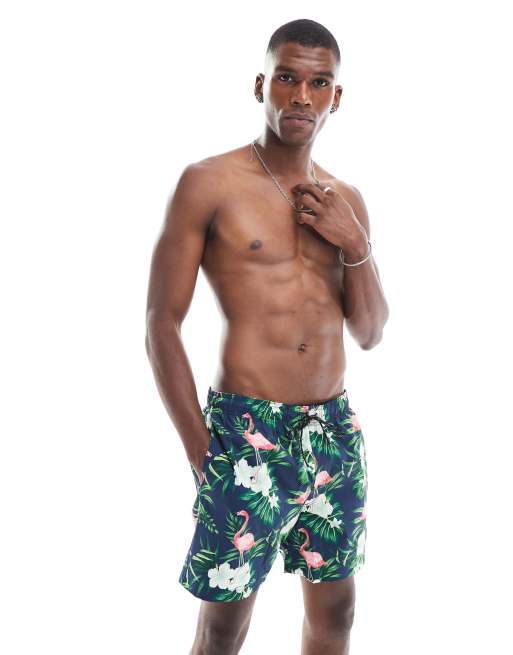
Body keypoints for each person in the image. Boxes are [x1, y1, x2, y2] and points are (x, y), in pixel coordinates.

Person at [145, 17, 389, 655]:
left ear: (337, 96)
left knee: (338, 616)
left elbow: (370, 333)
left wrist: (355, 243)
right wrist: (203, 453)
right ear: (262, 85)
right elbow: (161, 323)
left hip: (333, 433)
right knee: (224, 627)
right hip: (245, 430)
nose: (302, 96)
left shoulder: (347, 201)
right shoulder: (209, 183)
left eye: (319, 83)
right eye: (287, 78)